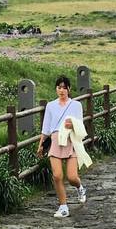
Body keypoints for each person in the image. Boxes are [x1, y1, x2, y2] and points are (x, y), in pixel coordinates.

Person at [37, 76, 88, 218]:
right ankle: (63, 206)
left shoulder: (75, 105)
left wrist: (72, 125)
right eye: (59, 87)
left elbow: (79, 124)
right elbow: (46, 128)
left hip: (70, 141)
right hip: (55, 141)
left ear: (69, 89)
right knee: (57, 175)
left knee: (72, 177)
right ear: (56, 89)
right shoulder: (51, 105)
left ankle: (80, 188)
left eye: (64, 87)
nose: (62, 90)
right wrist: (41, 145)